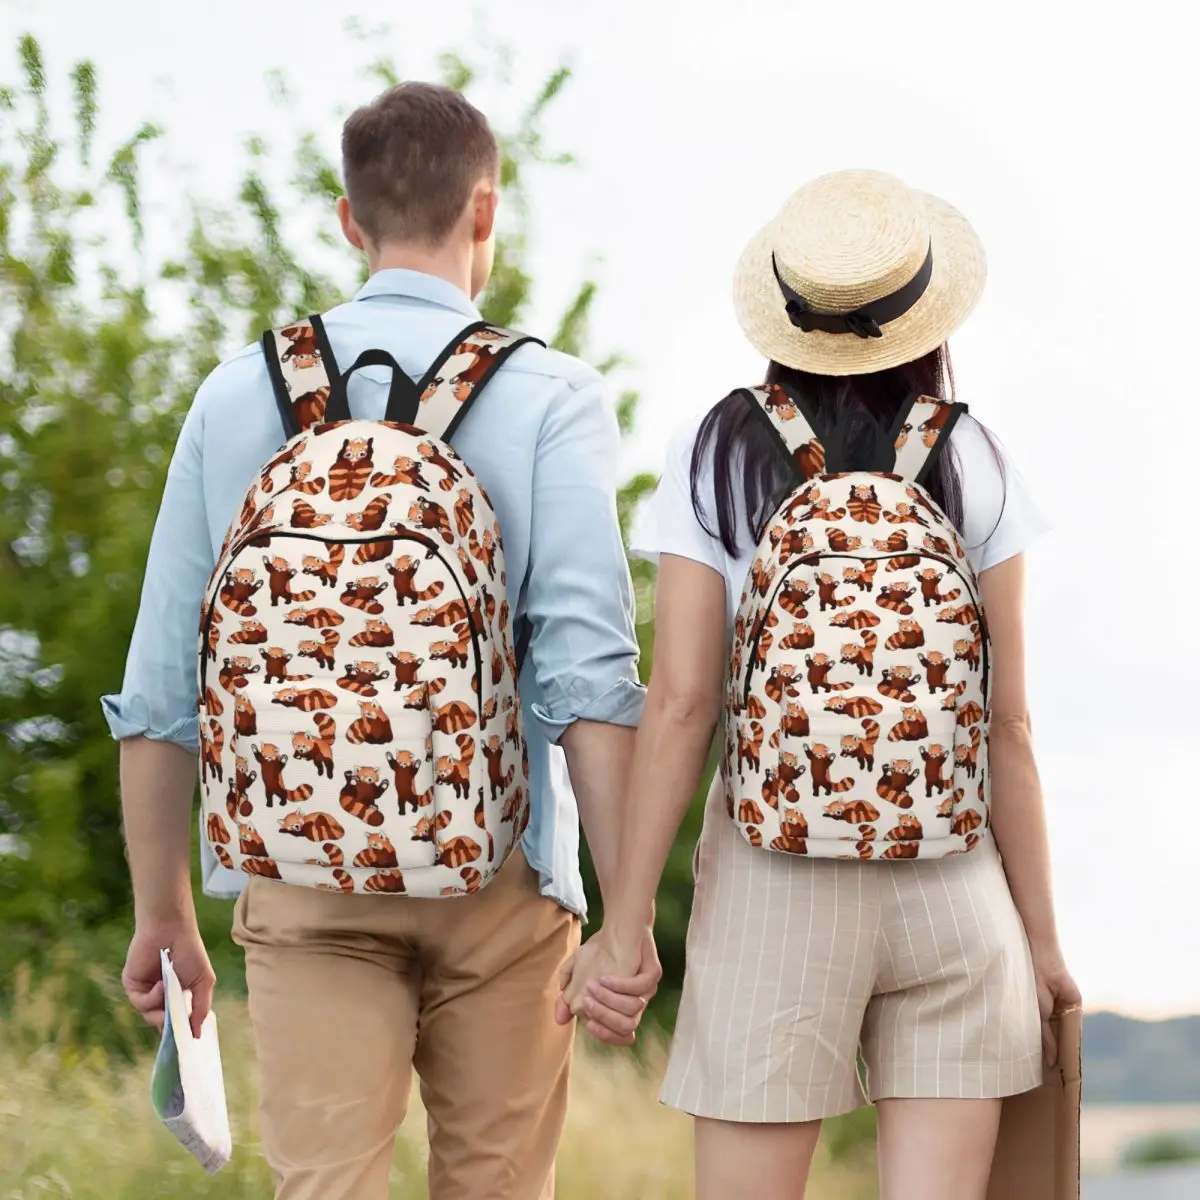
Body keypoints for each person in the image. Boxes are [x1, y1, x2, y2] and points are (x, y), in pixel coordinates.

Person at [104, 81, 660, 1200]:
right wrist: (627, 915)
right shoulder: (550, 395)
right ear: (486, 212)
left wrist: (162, 911)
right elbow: (589, 679)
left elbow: (164, 684)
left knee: (325, 1186)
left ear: (350, 220)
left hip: (300, 872)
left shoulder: (235, 394)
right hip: (500, 875)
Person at [559, 169, 1081, 1200]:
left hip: (773, 881)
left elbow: (681, 706)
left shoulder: (716, 450)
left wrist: (623, 929)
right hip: (954, 882)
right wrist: (1043, 944)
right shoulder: (974, 455)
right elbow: (1009, 725)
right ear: (924, 314)